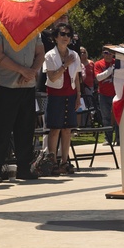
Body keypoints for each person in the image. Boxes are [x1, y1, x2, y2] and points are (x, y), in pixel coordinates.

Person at [0, 16, 45, 182]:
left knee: (26, 129)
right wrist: (22, 70)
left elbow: (40, 53)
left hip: (28, 85)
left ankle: (24, 168)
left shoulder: (33, 27)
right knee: (1, 130)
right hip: (7, 86)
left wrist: (31, 71)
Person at [42, 21, 82, 175]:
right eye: (62, 34)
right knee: (54, 130)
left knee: (67, 130)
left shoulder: (74, 54)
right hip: (55, 95)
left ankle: (65, 162)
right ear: (56, 37)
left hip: (70, 94)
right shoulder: (50, 55)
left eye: (68, 35)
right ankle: (52, 162)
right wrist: (64, 65)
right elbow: (52, 77)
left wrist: (78, 95)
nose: (66, 37)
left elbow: (77, 77)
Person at [92, 48, 117, 144]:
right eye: (106, 53)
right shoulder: (98, 64)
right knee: (106, 117)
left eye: (110, 53)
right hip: (103, 94)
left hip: (116, 94)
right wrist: (111, 70)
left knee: (118, 117)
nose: (108, 55)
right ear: (103, 53)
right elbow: (98, 78)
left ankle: (119, 139)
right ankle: (108, 139)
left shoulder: (117, 62)